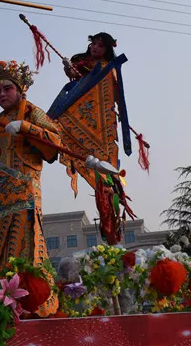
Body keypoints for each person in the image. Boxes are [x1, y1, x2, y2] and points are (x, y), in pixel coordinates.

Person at [0, 60, 74, 318]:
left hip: (22, 199)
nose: (3, 94)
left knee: (21, 261)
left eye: (7, 88)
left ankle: (29, 311)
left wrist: (26, 128)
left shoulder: (32, 112)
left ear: (20, 89)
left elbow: (56, 143)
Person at [50, 33, 135, 244]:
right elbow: (75, 78)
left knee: (106, 165)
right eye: (93, 44)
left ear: (106, 49)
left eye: (100, 45)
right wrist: (69, 69)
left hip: (100, 118)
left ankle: (111, 217)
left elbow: (112, 92)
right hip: (77, 111)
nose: (96, 47)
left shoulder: (110, 66)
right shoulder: (81, 60)